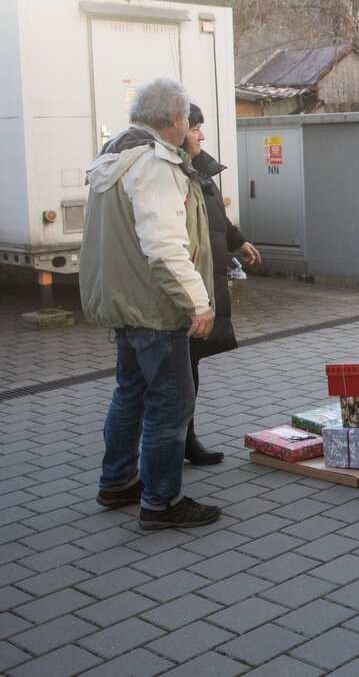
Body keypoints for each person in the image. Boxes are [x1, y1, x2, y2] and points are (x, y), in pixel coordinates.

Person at [81, 77, 221, 530]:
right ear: (176, 120)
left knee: (131, 391)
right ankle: (162, 502)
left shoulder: (115, 156)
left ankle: (118, 481)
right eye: (188, 119)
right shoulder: (155, 165)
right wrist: (198, 303)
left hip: (122, 300)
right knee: (170, 402)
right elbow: (164, 247)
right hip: (154, 306)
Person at [183, 104, 261, 465]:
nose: (201, 135)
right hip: (185, 288)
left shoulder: (199, 169)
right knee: (176, 374)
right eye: (195, 128)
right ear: (175, 126)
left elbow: (216, 217)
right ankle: (170, 449)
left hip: (203, 282)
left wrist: (237, 241)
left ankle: (186, 438)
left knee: (190, 365)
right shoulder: (171, 172)